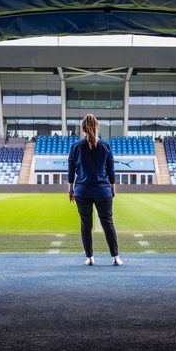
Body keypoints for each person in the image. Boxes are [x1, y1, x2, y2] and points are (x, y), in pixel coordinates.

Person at [68, 114, 123, 266]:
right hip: (102, 190)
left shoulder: (76, 146)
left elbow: (71, 171)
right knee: (108, 223)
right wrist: (112, 189)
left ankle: (89, 258)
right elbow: (111, 170)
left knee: (86, 224)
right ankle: (115, 257)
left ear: (83, 128)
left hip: (82, 191)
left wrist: (70, 191)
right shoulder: (105, 146)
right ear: (97, 127)